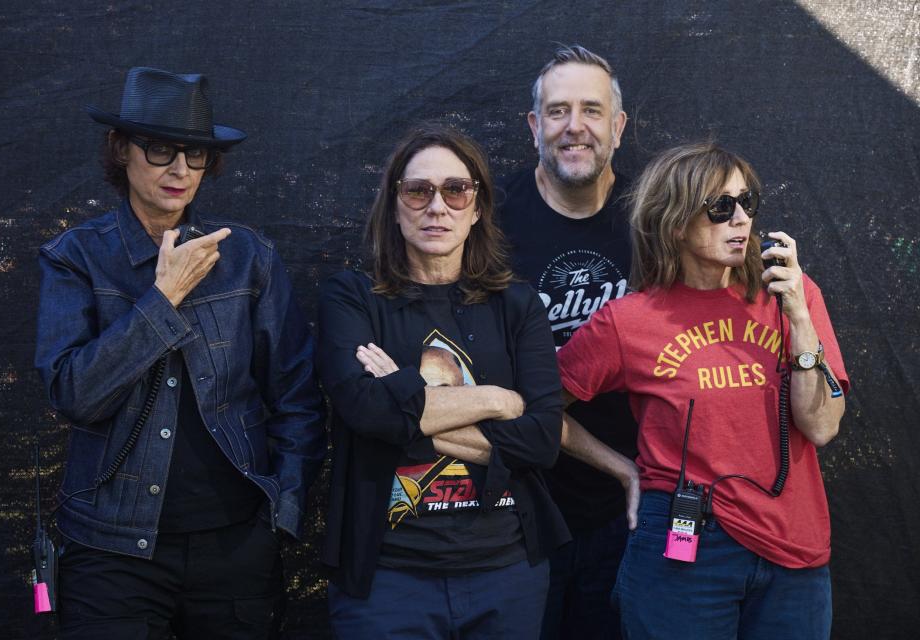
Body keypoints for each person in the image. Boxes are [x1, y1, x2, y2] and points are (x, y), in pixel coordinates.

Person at [34, 67, 326, 640]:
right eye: (161, 149)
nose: (179, 170)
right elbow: (73, 394)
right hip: (109, 547)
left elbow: (296, 397)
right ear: (122, 150)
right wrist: (163, 297)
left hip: (235, 546)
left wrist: (281, 511)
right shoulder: (76, 257)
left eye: (195, 155)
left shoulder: (247, 257)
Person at [556, 142, 848, 639]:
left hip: (794, 548)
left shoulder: (795, 296)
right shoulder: (628, 322)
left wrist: (798, 317)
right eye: (720, 207)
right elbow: (539, 407)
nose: (740, 219)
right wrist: (623, 469)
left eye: (747, 202)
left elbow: (820, 426)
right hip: (686, 547)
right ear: (673, 221)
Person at [318, 124, 569, 638]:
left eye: (456, 190)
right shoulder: (354, 297)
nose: (438, 206)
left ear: (477, 208)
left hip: (507, 572)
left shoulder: (516, 305)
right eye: (418, 190)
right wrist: (498, 399)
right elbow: (366, 412)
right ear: (394, 203)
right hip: (388, 579)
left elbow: (542, 441)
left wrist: (404, 400)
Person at [497, 43, 637, 639]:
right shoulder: (488, 226)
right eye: (557, 111)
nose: (574, 127)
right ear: (534, 127)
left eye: (591, 110)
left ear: (618, 126)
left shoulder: (654, 220)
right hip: (514, 506)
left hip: (627, 516)